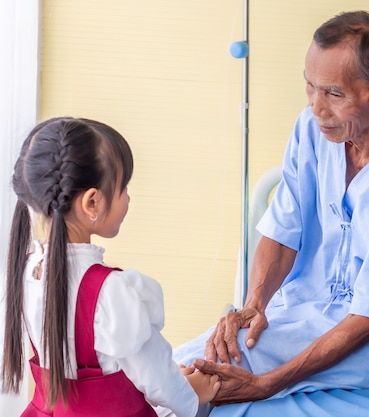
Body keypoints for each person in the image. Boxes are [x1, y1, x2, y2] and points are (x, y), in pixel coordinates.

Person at [178, 9, 369, 410]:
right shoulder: (313, 129)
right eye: (310, 87)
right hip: (304, 306)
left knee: (205, 372)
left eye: (335, 93)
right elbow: (286, 228)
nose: (317, 108)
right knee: (194, 360)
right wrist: (253, 306)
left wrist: (268, 383)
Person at [1, 117, 220, 416]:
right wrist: (194, 393)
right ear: (92, 202)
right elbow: (157, 379)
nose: (128, 197)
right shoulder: (112, 292)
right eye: (123, 187)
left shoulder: (24, 271)